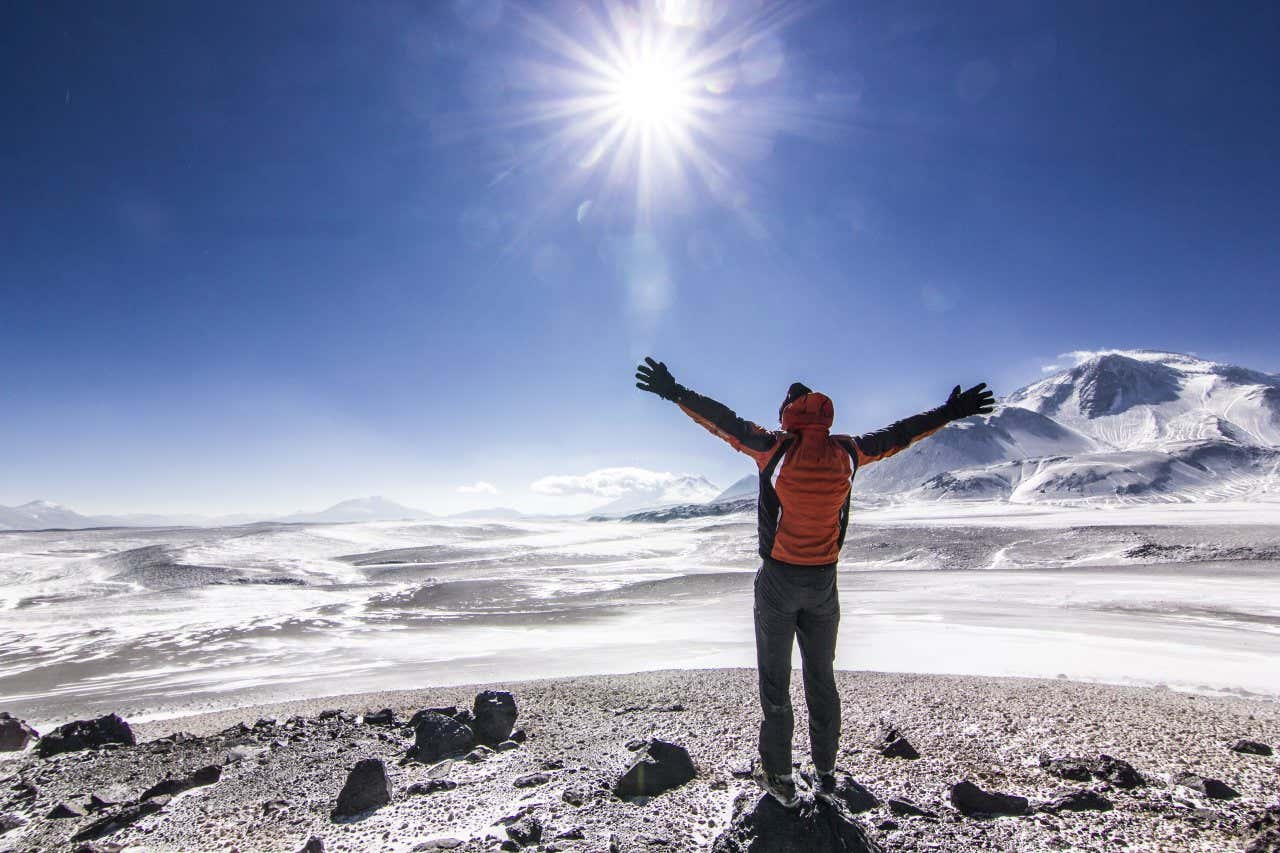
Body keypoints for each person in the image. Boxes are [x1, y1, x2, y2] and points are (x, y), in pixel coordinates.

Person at [634, 356, 994, 806]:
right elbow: (900, 434)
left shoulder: (774, 448)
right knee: (821, 680)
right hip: (824, 585)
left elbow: (722, 421)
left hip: (779, 582)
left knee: (775, 682)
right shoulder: (848, 451)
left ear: (788, 413)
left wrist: (674, 391)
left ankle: (780, 777)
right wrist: (949, 412)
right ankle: (825, 772)